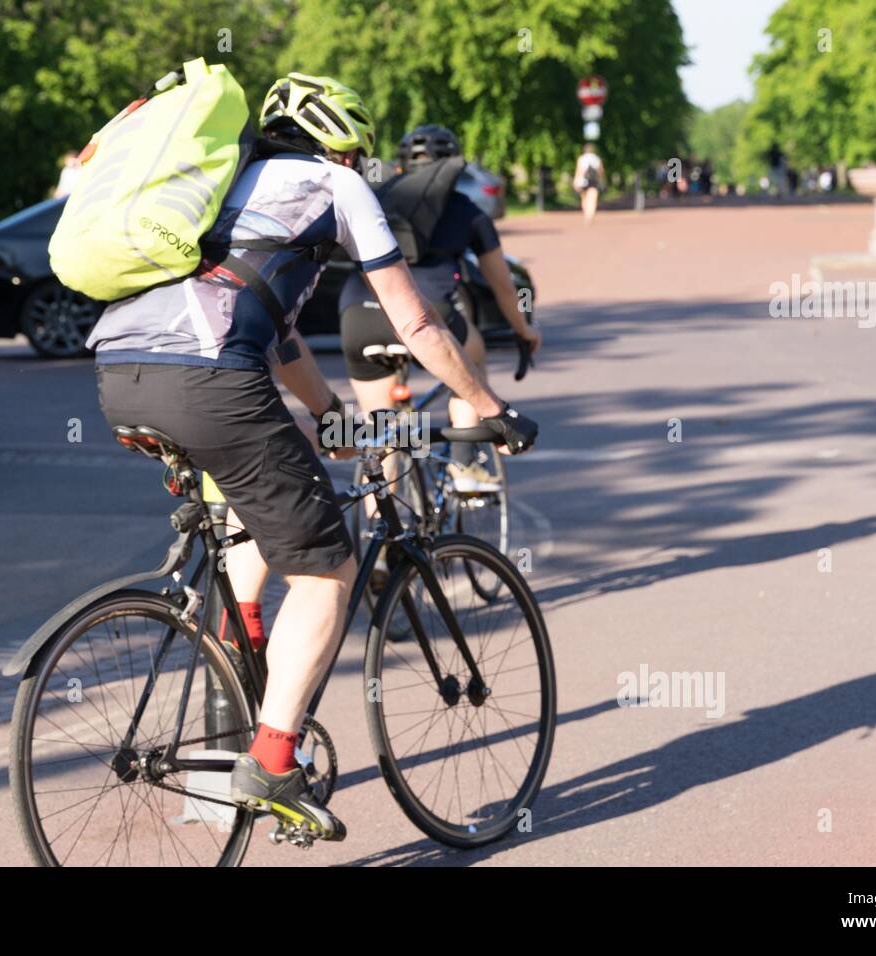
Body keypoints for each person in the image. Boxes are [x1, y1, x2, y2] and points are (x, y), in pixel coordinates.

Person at [85, 74, 538, 842]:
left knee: (259, 522)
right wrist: (489, 409)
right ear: (338, 140)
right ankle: (272, 756)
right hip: (210, 385)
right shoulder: (335, 185)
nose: (359, 162)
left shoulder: (223, 183)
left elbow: (281, 331)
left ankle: (242, 661)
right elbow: (419, 324)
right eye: (356, 148)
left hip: (119, 377)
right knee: (326, 568)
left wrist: (331, 416)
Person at [338, 123, 540, 500]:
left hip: (357, 315)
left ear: (400, 164)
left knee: (382, 440)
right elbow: (501, 284)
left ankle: (381, 555)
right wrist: (524, 330)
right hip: (425, 314)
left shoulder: (375, 198)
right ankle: (465, 465)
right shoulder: (466, 211)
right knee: (470, 363)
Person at [574, 144, 602, 223]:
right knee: (592, 198)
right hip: (593, 181)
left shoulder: (581, 159)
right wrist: (600, 179)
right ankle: (590, 215)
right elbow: (600, 171)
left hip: (582, 181)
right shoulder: (597, 159)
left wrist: (576, 181)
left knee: (584, 198)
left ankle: (586, 214)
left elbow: (579, 171)